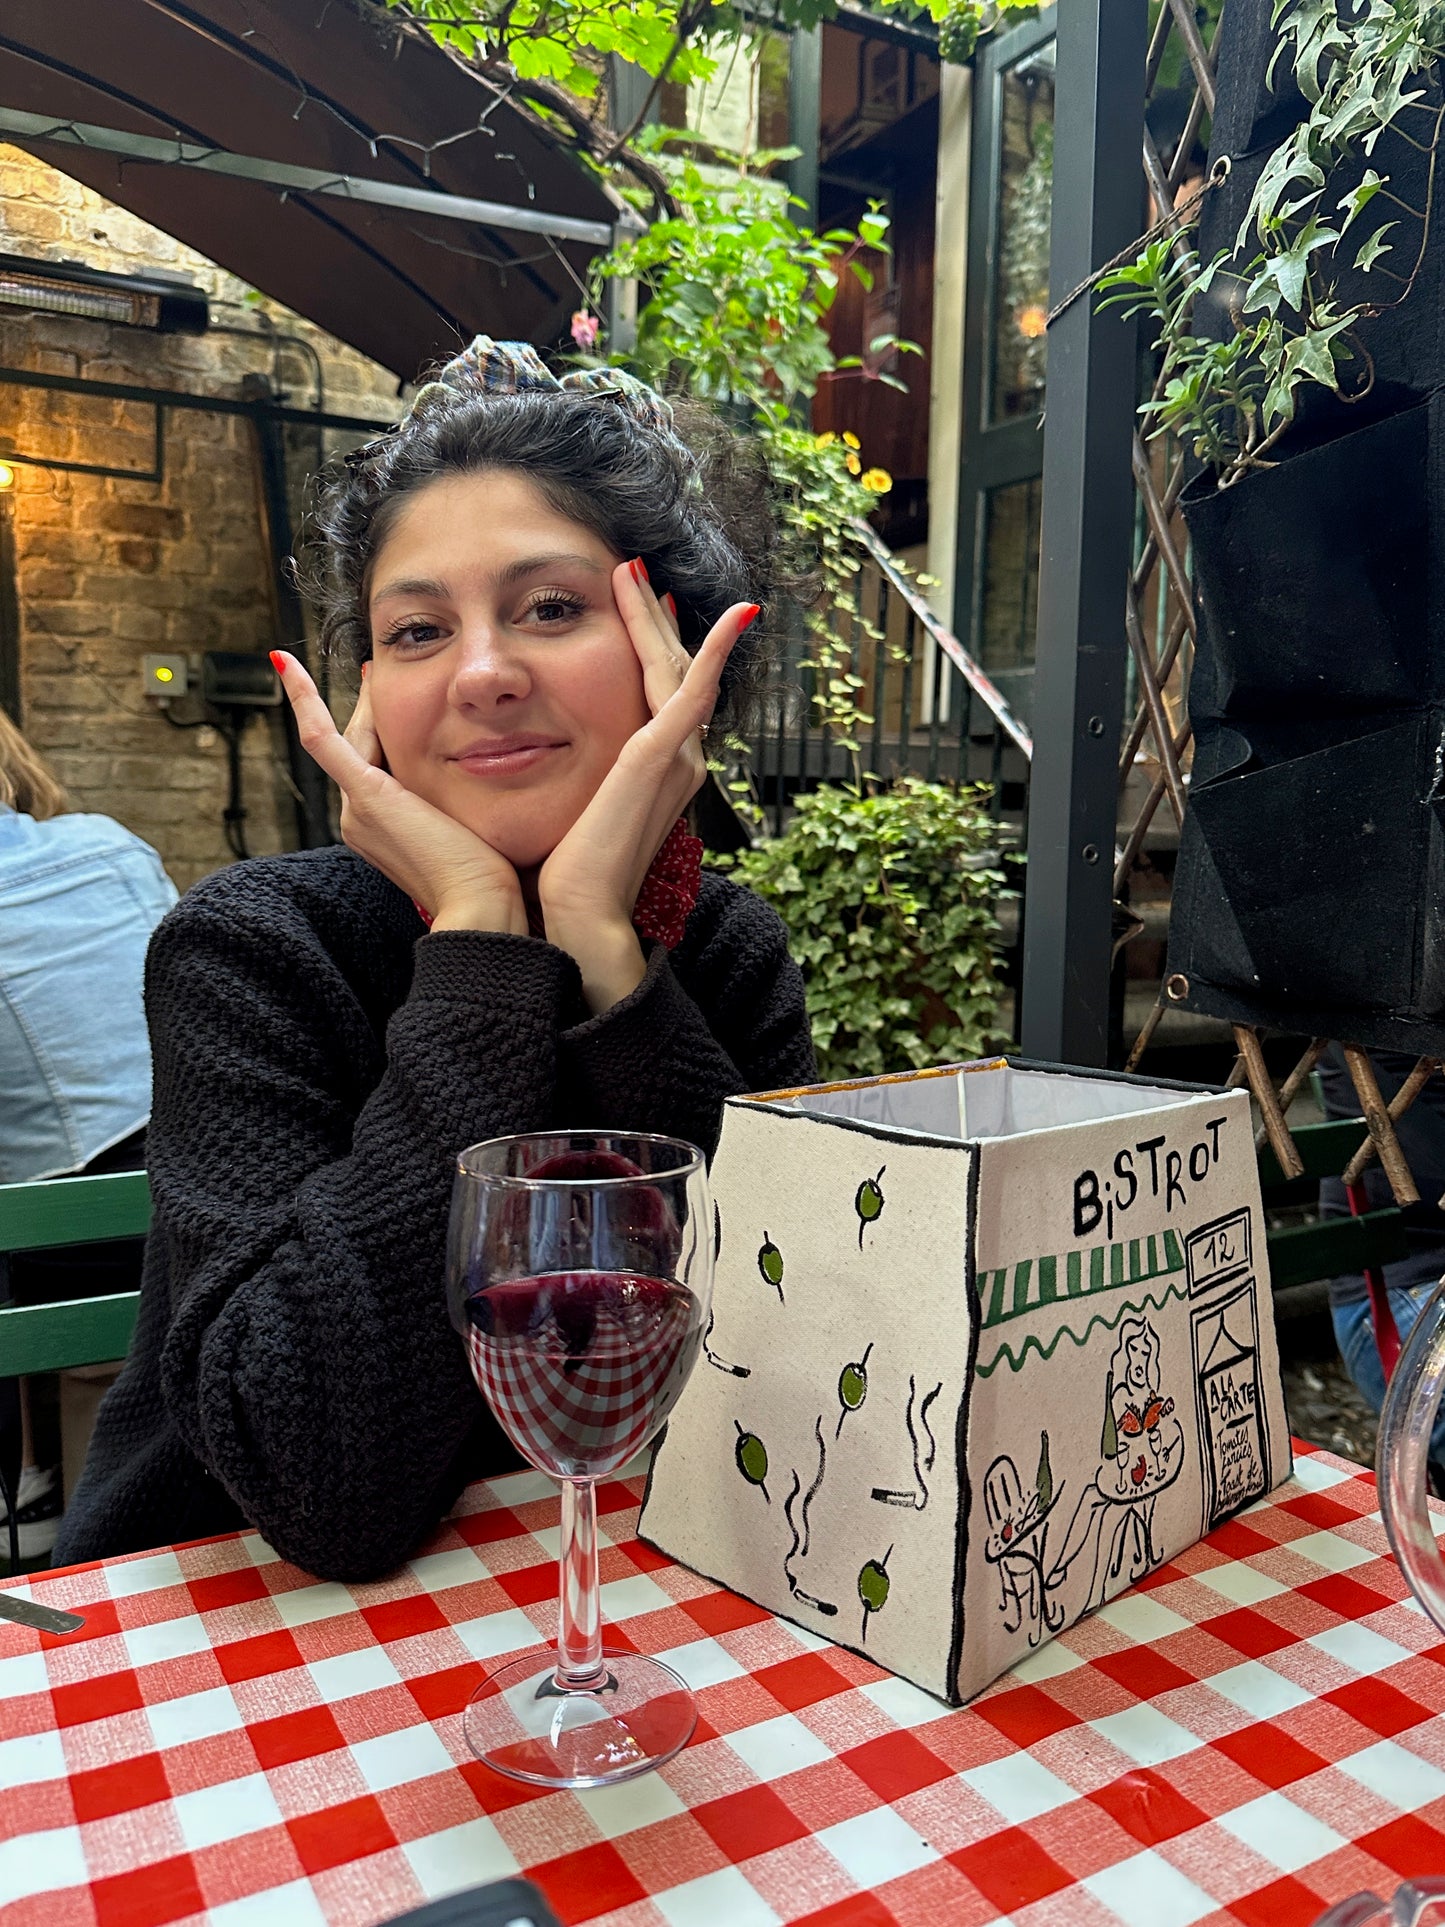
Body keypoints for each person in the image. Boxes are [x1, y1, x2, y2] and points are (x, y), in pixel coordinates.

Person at [55, 339, 817, 1581]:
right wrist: (476, 938)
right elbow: (324, 1488)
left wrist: (602, 956)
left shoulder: (722, 951)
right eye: (417, 630)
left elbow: (770, 1359)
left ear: (673, 658)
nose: (479, 673)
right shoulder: (253, 949)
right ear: (369, 698)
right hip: (227, 1638)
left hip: (614, 1592)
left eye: (551, 608)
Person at [0, 709, 176, 1557]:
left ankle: (35, 1490)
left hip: (74, 1253)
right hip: (195, 1183)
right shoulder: (107, 842)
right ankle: (37, 1476)